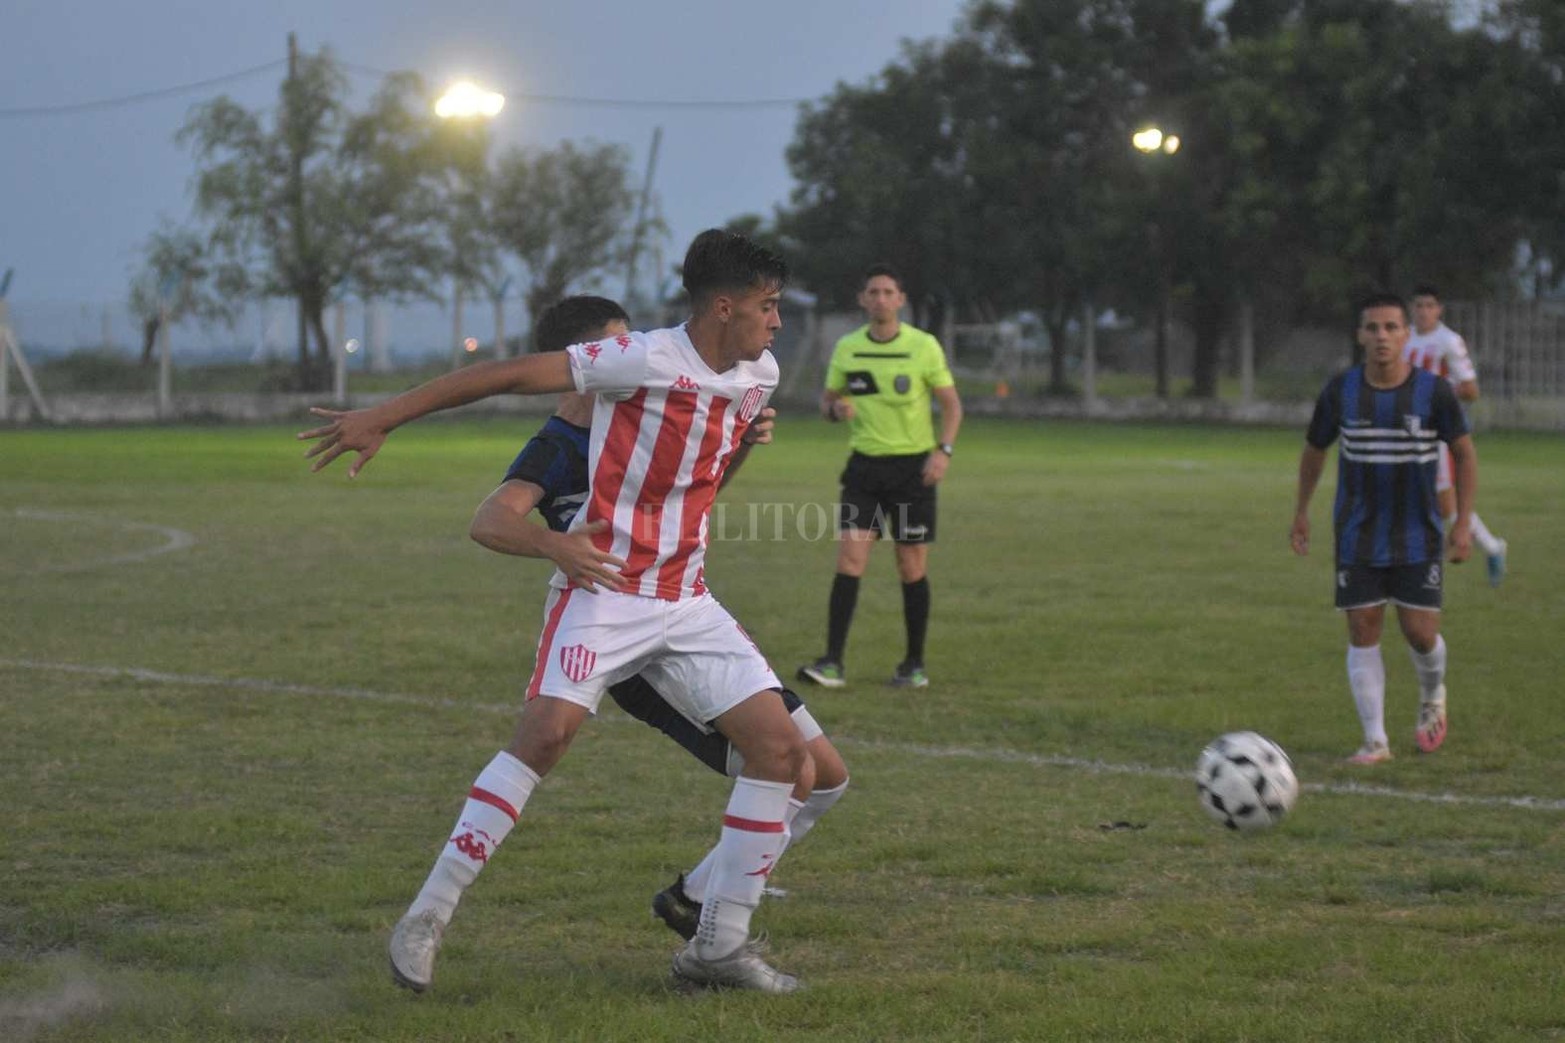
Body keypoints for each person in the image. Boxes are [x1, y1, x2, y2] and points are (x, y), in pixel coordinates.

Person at [299, 230, 835, 994]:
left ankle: (715, 947)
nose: (777, 321)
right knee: (545, 735)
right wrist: (386, 413)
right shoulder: (640, 357)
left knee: (786, 758)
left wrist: (741, 445)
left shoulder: (760, 375)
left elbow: (699, 482)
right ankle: (426, 915)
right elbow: (507, 373)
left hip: (685, 597)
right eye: (767, 305)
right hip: (606, 590)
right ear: (725, 306)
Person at [468, 293, 848, 944]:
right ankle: (715, 910)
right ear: (582, 365)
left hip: (683, 610)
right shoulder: (560, 444)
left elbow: (690, 500)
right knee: (792, 769)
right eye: (618, 349)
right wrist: (553, 543)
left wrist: (739, 442)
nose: (635, 358)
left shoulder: (651, 420)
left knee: (826, 780)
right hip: (632, 646)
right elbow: (494, 516)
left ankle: (702, 891)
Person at [1290, 292, 1477, 765]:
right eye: (1372, 328)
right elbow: (1315, 450)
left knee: (1419, 633)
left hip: (1418, 531)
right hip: (1358, 531)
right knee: (1362, 625)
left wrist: (1464, 523)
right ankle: (1375, 742)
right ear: (1360, 336)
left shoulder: (1433, 392)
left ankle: (1433, 695)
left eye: (1391, 328)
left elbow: (1465, 453)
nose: (1381, 337)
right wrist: (1301, 510)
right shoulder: (1341, 391)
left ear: (1406, 335)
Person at [796, 264, 963, 690]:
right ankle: (832, 662)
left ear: (901, 300)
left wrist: (942, 452)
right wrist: (837, 410)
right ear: (862, 299)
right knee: (849, 560)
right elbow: (828, 403)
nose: (881, 299)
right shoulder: (848, 348)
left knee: (911, 566)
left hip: (912, 471)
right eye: (873, 292)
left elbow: (952, 406)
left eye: (889, 292)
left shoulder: (923, 346)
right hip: (864, 470)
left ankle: (914, 664)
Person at [1406, 284, 1508, 586]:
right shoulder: (1403, 337)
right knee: (1428, 499)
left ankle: (1429, 560)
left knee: (1445, 503)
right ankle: (1490, 546)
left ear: (1439, 310)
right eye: (1419, 305)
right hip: (1408, 428)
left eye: (1429, 305)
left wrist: (1435, 392)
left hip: (1436, 431)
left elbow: (1471, 390)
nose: (1423, 311)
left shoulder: (1448, 341)